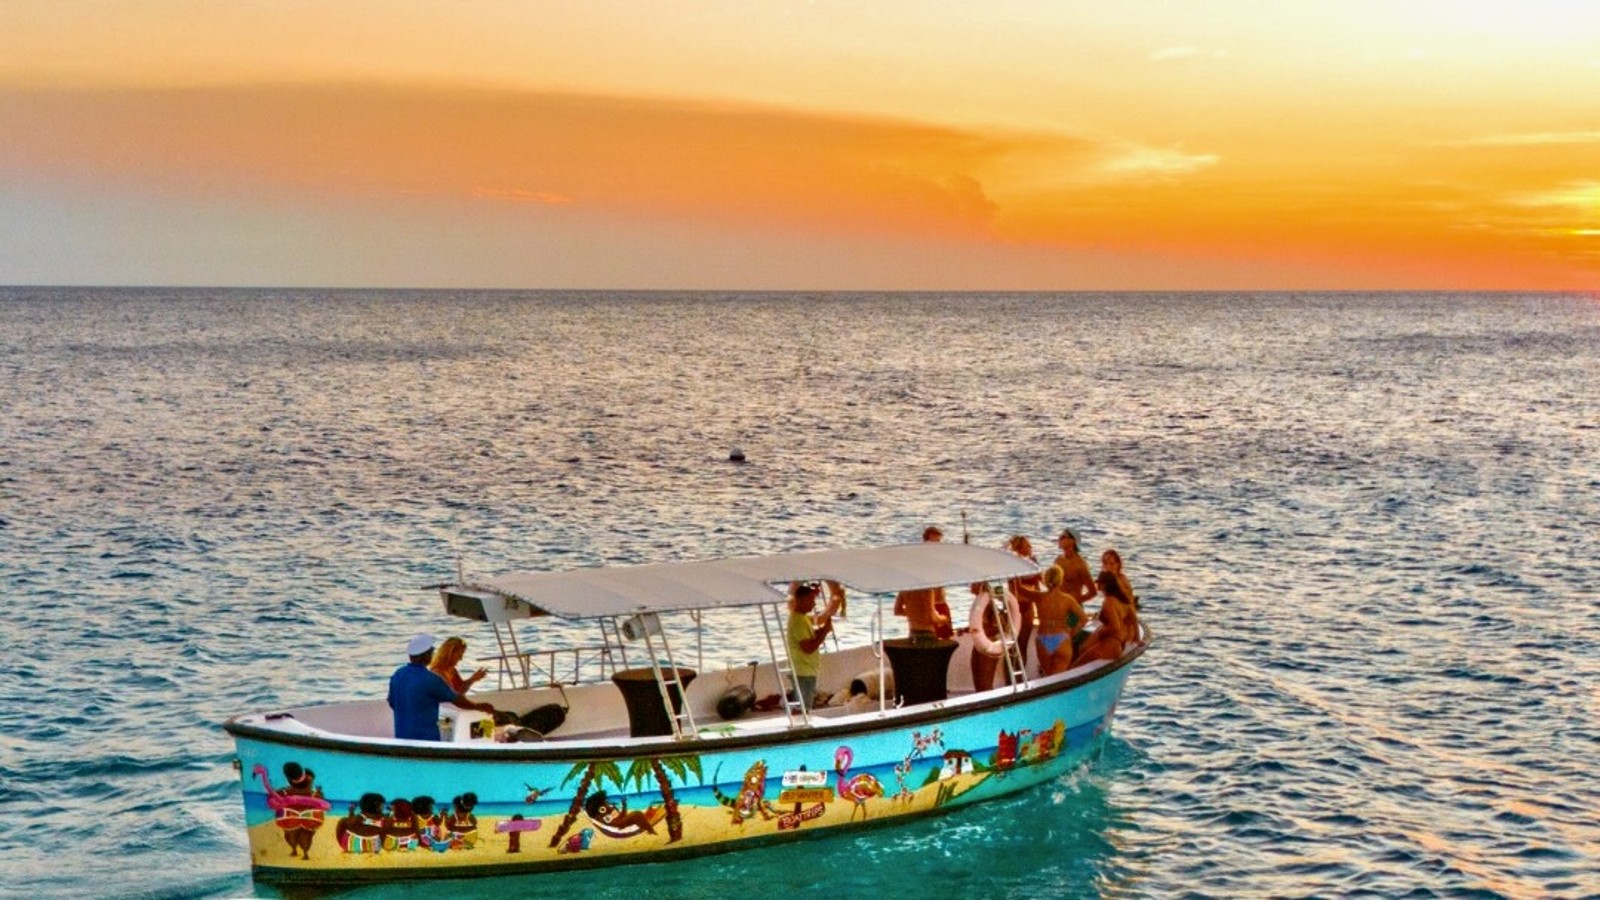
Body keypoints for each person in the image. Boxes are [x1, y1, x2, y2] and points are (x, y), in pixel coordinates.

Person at [388, 634, 496, 741]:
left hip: (401, 738)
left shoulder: (397, 675)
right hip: (426, 740)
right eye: (431, 652)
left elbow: (392, 702)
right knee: (479, 723)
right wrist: (479, 706)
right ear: (425, 655)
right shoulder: (431, 679)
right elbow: (458, 700)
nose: (432, 654)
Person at [894, 525, 951, 641]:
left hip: (938, 604)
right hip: (932, 608)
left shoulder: (938, 561)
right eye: (933, 542)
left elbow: (898, 609)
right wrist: (915, 614)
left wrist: (914, 614)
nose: (936, 546)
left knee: (945, 639)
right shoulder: (925, 561)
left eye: (938, 542)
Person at [786, 582, 834, 709]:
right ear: (801, 601)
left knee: (802, 706)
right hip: (803, 671)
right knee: (803, 708)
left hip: (804, 670)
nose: (814, 604)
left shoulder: (803, 618)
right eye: (811, 600)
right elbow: (808, 648)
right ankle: (800, 727)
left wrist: (823, 630)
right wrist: (825, 631)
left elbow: (809, 637)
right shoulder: (798, 620)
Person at [1034, 566, 1088, 675]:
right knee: (1059, 677)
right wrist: (1071, 633)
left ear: (1045, 580)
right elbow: (1084, 619)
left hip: (1043, 638)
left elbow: (1020, 590)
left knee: (1049, 677)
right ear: (1060, 580)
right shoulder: (1067, 599)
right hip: (1062, 638)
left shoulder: (1039, 597)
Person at [1073, 574, 1133, 667]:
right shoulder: (1122, 600)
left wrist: (1099, 633)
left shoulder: (1109, 602)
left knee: (1075, 667)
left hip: (1109, 645)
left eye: (1099, 584)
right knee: (1082, 651)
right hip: (1117, 644)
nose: (1097, 586)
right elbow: (1130, 620)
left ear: (1104, 585)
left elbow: (1114, 627)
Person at [1004, 535, 1046, 668]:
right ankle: (1012, 679)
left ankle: (1019, 679)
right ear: (1020, 548)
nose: (1031, 547)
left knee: (1022, 644)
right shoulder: (1014, 564)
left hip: (1026, 606)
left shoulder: (1031, 563)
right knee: (1014, 645)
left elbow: (1041, 585)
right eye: (1028, 545)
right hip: (1016, 606)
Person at [1096, 550, 1141, 641]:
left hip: (1125, 625)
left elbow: (1130, 606)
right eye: (1105, 563)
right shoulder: (1108, 581)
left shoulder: (1120, 582)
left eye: (1112, 564)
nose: (1108, 567)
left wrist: (1137, 636)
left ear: (1118, 564)